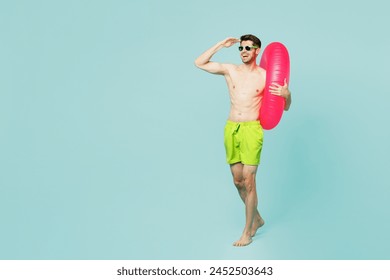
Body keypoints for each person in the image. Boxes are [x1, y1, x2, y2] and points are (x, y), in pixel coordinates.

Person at [194, 34, 291, 246]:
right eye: (241, 48)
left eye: (248, 48)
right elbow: (199, 62)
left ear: (257, 51)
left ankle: (247, 232)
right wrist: (221, 44)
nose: (244, 51)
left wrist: (286, 95)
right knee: (238, 181)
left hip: (251, 130)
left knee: (249, 180)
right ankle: (257, 218)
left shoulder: (266, 76)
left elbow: (284, 107)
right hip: (231, 129)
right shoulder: (231, 71)